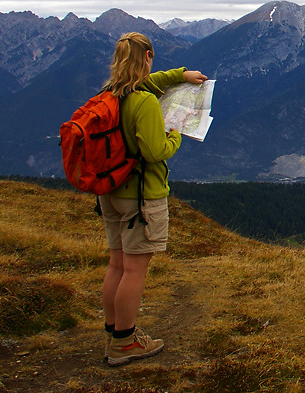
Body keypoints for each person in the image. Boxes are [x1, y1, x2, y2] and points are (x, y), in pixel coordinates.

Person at [98, 32, 207, 367]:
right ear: (147, 56)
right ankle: (125, 344)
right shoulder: (144, 102)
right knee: (134, 271)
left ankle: (115, 332)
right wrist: (175, 136)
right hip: (141, 199)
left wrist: (180, 75)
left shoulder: (111, 93)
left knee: (117, 264)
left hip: (111, 193)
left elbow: (152, 81)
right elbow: (154, 151)